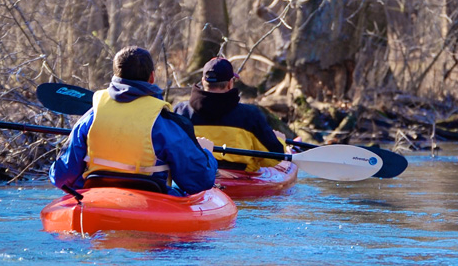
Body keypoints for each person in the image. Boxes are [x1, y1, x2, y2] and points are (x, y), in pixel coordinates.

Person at [50, 46, 218, 195]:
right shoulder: (167, 122)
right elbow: (198, 182)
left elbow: (61, 177)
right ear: (152, 77)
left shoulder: (91, 116)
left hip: (96, 195)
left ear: (115, 76)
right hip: (152, 200)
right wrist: (207, 154)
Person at [174, 57, 286, 172]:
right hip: (239, 181)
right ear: (230, 84)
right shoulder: (251, 114)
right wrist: (280, 141)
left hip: (194, 178)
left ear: (203, 81)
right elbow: (273, 159)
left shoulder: (181, 111)